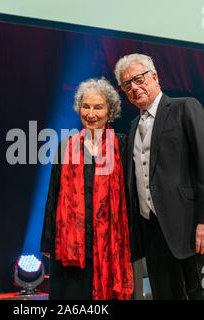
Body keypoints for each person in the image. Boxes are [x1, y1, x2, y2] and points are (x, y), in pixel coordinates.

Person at [114, 53, 204, 300]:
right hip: (154, 235)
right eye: (127, 85)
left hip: (195, 233)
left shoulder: (185, 108)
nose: (134, 87)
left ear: (154, 76)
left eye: (138, 79)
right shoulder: (133, 126)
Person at [40, 78, 134, 300]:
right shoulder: (66, 145)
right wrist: (48, 240)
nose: (90, 113)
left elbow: (131, 196)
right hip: (72, 245)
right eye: (86, 106)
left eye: (98, 107)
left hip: (111, 245)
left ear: (110, 112)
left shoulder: (123, 145)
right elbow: (53, 195)